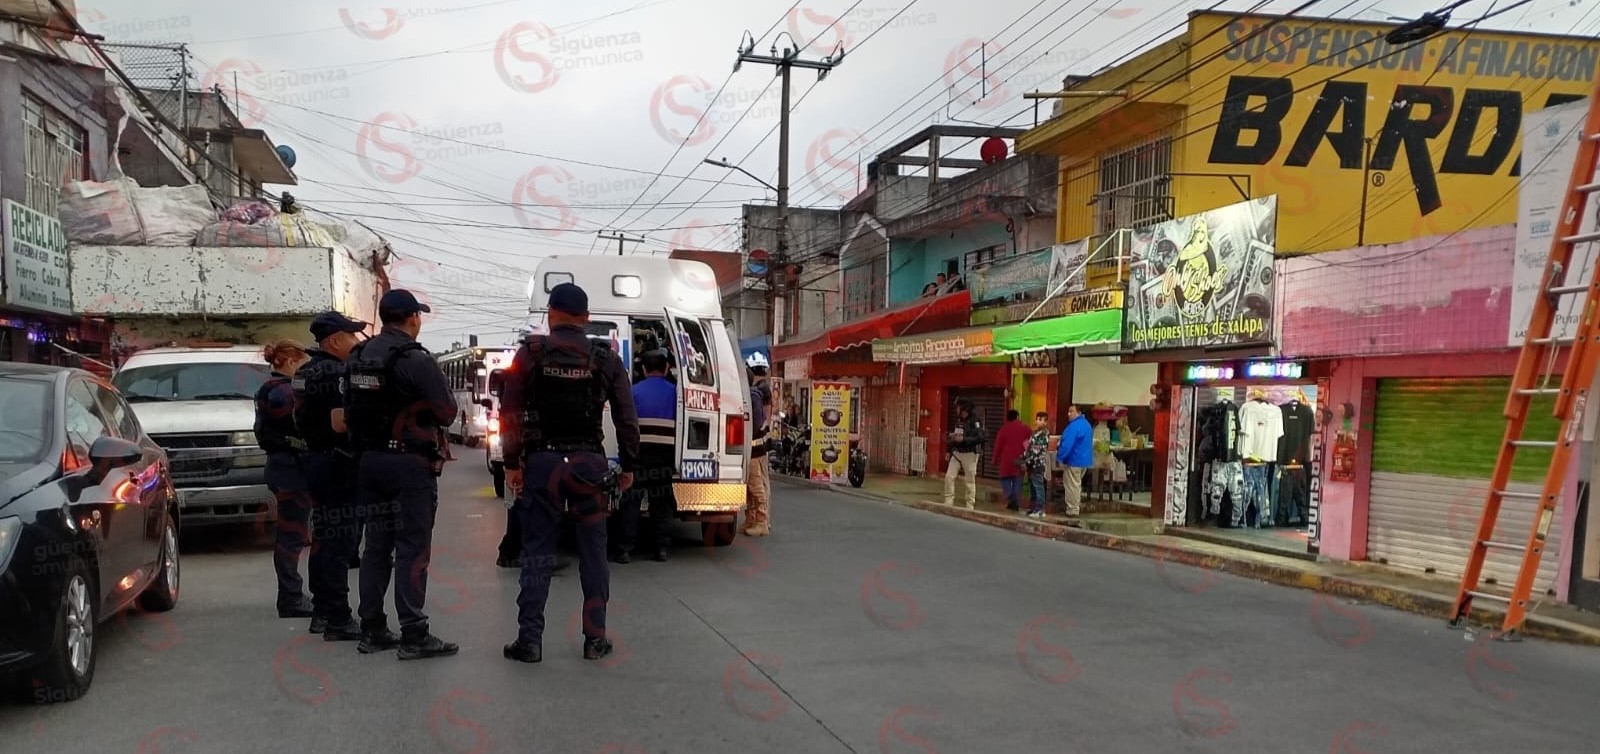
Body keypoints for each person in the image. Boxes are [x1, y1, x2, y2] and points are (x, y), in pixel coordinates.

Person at [500, 283, 640, 664]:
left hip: (543, 464)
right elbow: (627, 418)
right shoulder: (605, 358)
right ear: (587, 317)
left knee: (537, 551)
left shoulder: (529, 354)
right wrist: (628, 465)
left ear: (550, 314)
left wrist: (512, 463)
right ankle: (595, 639)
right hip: (588, 465)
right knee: (593, 553)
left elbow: (508, 412)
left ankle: (529, 640)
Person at [343, 289, 459, 660]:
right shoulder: (415, 359)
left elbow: (349, 409)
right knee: (412, 547)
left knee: (376, 546)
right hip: (408, 464)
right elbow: (446, 412)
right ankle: (414, 633)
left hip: (369, 461)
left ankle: (373, 628)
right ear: (412, 318)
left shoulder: (358, 356)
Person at [295, 311, 368, 641]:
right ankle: (339, 617)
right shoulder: (338, 372)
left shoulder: (304, 371)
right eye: (351, 335)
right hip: (338, 463)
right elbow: (341, 422)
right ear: (335, 340)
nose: (355, 342)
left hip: (314, 459)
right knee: (341, 541)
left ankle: (323, 611)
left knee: (323, 537)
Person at [256, 339, 313, 619]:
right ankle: (291, 597)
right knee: (292, 535)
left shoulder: (269, 389)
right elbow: (299, 426)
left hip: (282, 467)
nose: (306, 370)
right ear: (290, 362)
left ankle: (291, 595)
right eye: (303, 364)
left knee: (292, 533)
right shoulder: (283, 392)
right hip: (290, 469)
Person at [613, 349, 676, 563]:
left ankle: (625, 549)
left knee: (631, 500)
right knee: (662, 502)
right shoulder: (676, 392)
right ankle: (661, 549)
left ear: (643, 369)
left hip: (639, 454)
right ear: (667, 368)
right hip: (665, 455)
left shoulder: (633, 391)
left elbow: (626, 423)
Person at [744, 353, 773, 537]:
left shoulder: (758, 392)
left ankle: (762, 521)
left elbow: (757, 422)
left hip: (756, 446)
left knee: (758, 484)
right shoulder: (762, 389)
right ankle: (755, 520)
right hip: (760, 443)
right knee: (756, 484)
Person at [943, 399, 984, 509]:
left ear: (964, 409)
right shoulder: (959, 421)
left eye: (958, 407)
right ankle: (948, 501)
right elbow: (956, 436)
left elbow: (980, 438)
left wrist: (964, 439)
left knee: (969, 480)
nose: (956, 409)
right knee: (949, 476)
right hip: (956, 453)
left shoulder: (976, 422)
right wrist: (948, 450)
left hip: (970, 454)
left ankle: (970, 505)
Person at [1057, 404, 1094, 522]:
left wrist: (1060, 458)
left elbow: (1067, 445)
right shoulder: (1087, 425)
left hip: (1074, 460)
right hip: (1084, 461)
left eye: (1071, 411)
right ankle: (1074, 507)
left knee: (1072, 486)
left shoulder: (1073, 427)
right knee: (1076, 485)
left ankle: (1072, 510)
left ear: (1078, 412)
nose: (1068, 414)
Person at [993, 409, 1031, 512]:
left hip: (1006, 459)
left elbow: (998, 446)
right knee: (1018, 481)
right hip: (1020, 458)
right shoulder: (1025, 428)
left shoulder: (1003, 429)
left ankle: (1010, 496)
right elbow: (1029, 443)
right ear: (1017, 417)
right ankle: (1016, 502)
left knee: (1004, 478)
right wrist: (1027, 455)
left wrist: (994, 460)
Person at [1021, 411, 1053, 518]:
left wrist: (1027, 460)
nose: (1037, 421)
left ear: (1045, 422)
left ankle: (1040, 509)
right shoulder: (1034, 433)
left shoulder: (1044, 435)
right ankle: (1033, 508)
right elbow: (1028, 446)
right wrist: (1024, 457)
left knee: (1038, 487)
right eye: (1037, 419)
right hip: (1030, 464)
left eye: (1040, 419)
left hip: (1038, 464)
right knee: (1033, 488)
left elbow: (1036, 450)